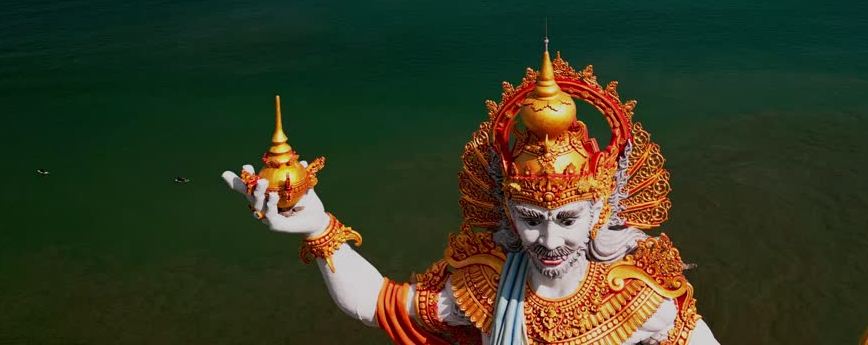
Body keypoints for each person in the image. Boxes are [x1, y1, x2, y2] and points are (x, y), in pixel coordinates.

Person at [223, 41, 719, 345]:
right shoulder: (482, 286)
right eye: (530, 217)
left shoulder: (639, 300)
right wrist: (319, 227)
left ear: (600, 210)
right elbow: (377, 304)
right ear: (505, 208)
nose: (547, 241)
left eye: (567, 219)